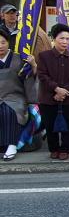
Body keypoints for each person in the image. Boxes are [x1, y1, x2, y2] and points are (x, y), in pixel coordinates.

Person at [37, 24, 69, 161]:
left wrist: (64, 91)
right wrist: (56, 89)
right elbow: (42, 75)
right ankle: (54, 148)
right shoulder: (44, 56)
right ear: (54, 39)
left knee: (68, 125)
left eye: (68, 39)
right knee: (50, 124)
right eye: (62, 38)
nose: (65, 41)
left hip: (68, 97)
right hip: (48, 97)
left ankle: (66, 149)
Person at [0, 28, 36, 161]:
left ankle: (12, 145)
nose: (0, 46)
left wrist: (33, 66)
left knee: (9, 111)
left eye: (3, 42)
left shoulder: (19, 58)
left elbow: (28, 77)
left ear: (8, 43)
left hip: (15, 97)